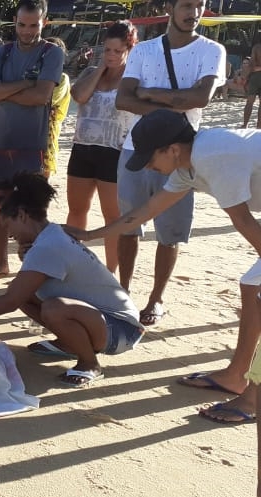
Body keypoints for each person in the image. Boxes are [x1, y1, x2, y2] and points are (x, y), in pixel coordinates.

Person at [65, 109, 261, 424]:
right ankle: (236, 375)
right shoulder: (188, 166)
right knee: (252, 287)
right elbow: (144, 213)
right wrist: (89, 235)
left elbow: (243, 220)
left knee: (258, 293)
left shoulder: (213, 155)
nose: (149, 167)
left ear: (172, 149)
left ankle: (252, 398)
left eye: (150, 158)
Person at [0, 173, 144, 386]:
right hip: (105, 321)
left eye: (8, 224)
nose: (9, 234)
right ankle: (69, 343)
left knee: (52, 307)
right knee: (25, 293)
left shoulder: (48, 246)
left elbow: (9, 302)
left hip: (121, 329)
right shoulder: (51, 234)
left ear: (22, 215)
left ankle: (89, 364)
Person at [114, 0, 225, 326]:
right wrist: (172, 103)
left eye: (200, 5)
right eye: (187, 5)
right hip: (136, 148)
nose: (194, 13)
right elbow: (123, 99)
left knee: (170, 233)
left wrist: (148, 94)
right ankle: (123, 291)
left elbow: (200, 98)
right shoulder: (144, 50)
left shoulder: (211, 50)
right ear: (171, 7)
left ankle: (156, 297)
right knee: (128, 225)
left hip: (181, 154)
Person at [0, 0, 63, 281]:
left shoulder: (51, 53)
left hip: (32, 144)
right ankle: (2, 262)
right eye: (22, 24)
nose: (26, 31)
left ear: (44, 23)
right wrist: (24, 85)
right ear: (14, 21)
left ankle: (35, 269)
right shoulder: (1, 52)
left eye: (34, 25)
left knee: (33, 209)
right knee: (0, 206)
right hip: (1, 140)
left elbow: (41, 97)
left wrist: (5, 91)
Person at [65, 20, 137, 273]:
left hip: (113, 152)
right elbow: (79, 96)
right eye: (107, 50)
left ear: (129, 50)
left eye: (118, 51)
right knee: (76, 211)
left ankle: (111, 273)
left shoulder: (132, 79)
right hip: (83, 148)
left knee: (112, 218)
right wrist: (99, 71)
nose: (111, 56)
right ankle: (75, 268)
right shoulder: (91, 73)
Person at [43, 37, 70, 180]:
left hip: (48, 129)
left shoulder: (62, 78)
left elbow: (48, 99)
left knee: (43, 168)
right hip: (28, 125)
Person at [244, 32, 261, 129]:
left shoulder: (256, 47)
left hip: (255, 77)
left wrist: (246, 77)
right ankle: (259, 126)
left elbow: (251, 65)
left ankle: (245, 124)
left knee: (249, 102)